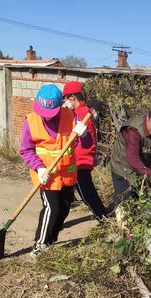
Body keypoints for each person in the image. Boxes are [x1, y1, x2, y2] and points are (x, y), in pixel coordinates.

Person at [19, 84, 87, 256]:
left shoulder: (70, 116)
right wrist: (39, 168)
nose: (47, 117)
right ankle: (39, 245)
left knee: (64, 208)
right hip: (46, 175)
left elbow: (83, 144)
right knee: (52, 208)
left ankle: (50, 240)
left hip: (66, 173)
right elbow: (25, 150)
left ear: (60, 105)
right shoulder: (31, 121)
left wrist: (83, 134)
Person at [110, 102, 151, 205]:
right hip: (122, 166)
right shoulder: (133, 130)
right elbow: (132, 158)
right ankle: (116, 215)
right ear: (148, 117)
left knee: (145, 200)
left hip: (141, 167)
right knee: (125, 202)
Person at [62, 82, 108, 220]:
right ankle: (102, 214)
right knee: (76, 191)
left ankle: (103, 217)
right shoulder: (81, 111)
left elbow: (79, 139)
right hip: (81, 158)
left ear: (72, 97)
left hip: (79, 160)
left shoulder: (81, 113)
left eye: (65, 98)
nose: (64, 101)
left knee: (86, 192)